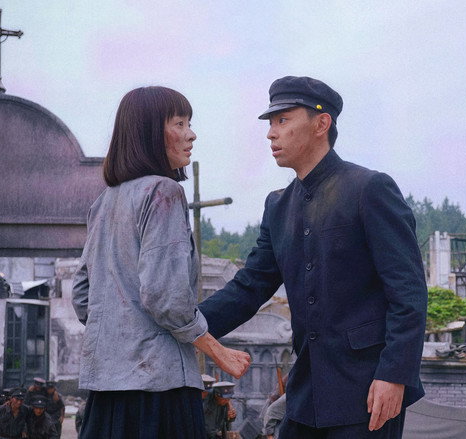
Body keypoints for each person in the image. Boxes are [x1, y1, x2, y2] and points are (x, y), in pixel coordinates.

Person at [199, 76, 427, 439]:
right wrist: (188, 324)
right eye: (270, 123)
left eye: (283, 120)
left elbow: (408, 292)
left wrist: (394, 375)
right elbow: (251, 285)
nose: (271, 133)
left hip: (368, 389)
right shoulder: (278, 205)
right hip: (306, 392)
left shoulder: (369, 189)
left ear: (322, 123)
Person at [72, 86, 251, 439]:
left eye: (189, 124)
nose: (191, 134)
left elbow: (82, 296)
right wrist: (217, 350)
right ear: (149, 133)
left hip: (106, 392)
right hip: (159, 390)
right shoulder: (163, 192)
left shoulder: (104, 202)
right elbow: (165, 297)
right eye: (179, 123)